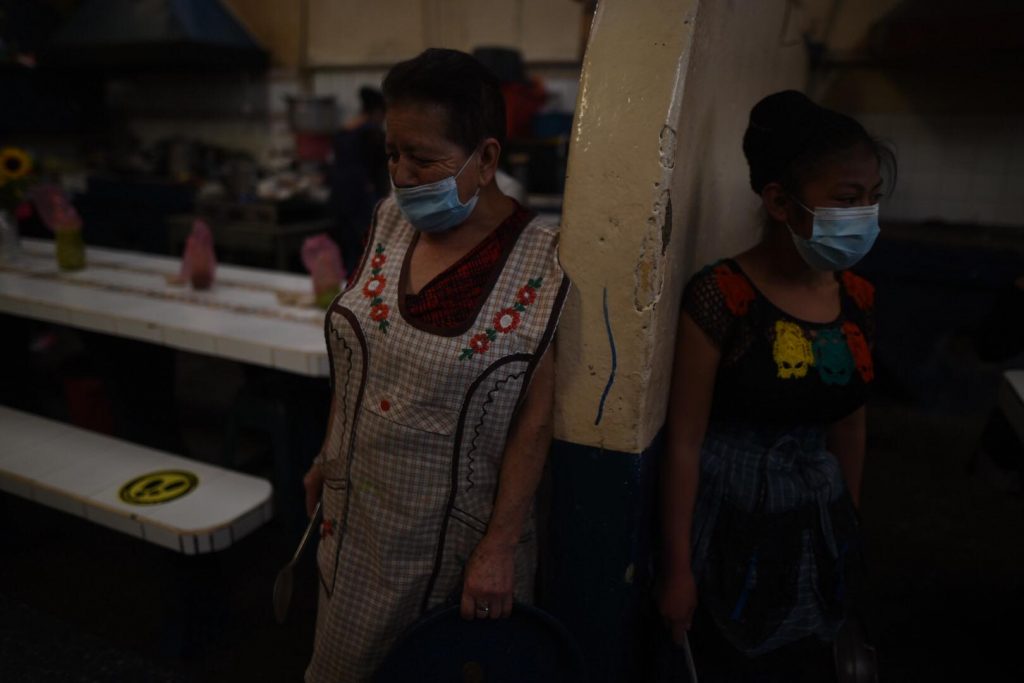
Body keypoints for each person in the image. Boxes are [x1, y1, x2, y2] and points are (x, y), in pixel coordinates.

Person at [303, 48, 570, 683]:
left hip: (455, 547)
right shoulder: (387, 222)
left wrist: (499, 547)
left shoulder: (543, 258)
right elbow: (359, 348)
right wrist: (326, 453)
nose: (402, 174)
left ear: (486, 158)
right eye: (392, 153)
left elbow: (535, 417)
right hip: (358, 518)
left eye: (423, 158)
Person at [657, 90, 895, 681]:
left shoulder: (857, 298)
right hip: (731, 530)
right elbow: (684, 443)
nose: (864, 216)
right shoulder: (723, 296)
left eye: (872, 200)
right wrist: (678, 569)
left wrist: (848, 526)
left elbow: (849, 420)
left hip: (818, 523)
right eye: (846, 200)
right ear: (780, 202)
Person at [328, 86, 389, 275]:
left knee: (348, 253)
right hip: (363, 200)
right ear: (377, 112)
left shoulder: (344, 130)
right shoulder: (371, 133)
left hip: (341, 198)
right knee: (366, 254)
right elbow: (379, 169)